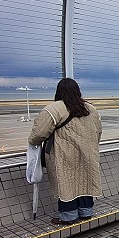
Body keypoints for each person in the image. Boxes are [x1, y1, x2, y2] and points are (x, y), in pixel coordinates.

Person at [28, 78, 102, 226]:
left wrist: (33, 143)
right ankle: (86, 212)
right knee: (85, 181)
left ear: (58, 91)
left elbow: (38, 134)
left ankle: (68, 217)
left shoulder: (54, 109)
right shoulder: (90, 109)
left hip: (64, 155)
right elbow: (98, 131)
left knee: (66, 183)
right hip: (87, 154)